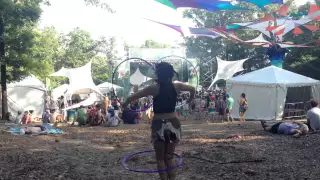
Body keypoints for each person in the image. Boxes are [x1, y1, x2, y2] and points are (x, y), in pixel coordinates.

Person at [122, 62, 195, 180]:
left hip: (159, 125)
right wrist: (189, 100)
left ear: (157, 74)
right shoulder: (177, 86)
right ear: (171, 74)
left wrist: (124, 105)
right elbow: (192, 89)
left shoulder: (153, 88)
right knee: (169, 157)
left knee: (160, 159)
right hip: (174, 124)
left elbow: (131, 98)